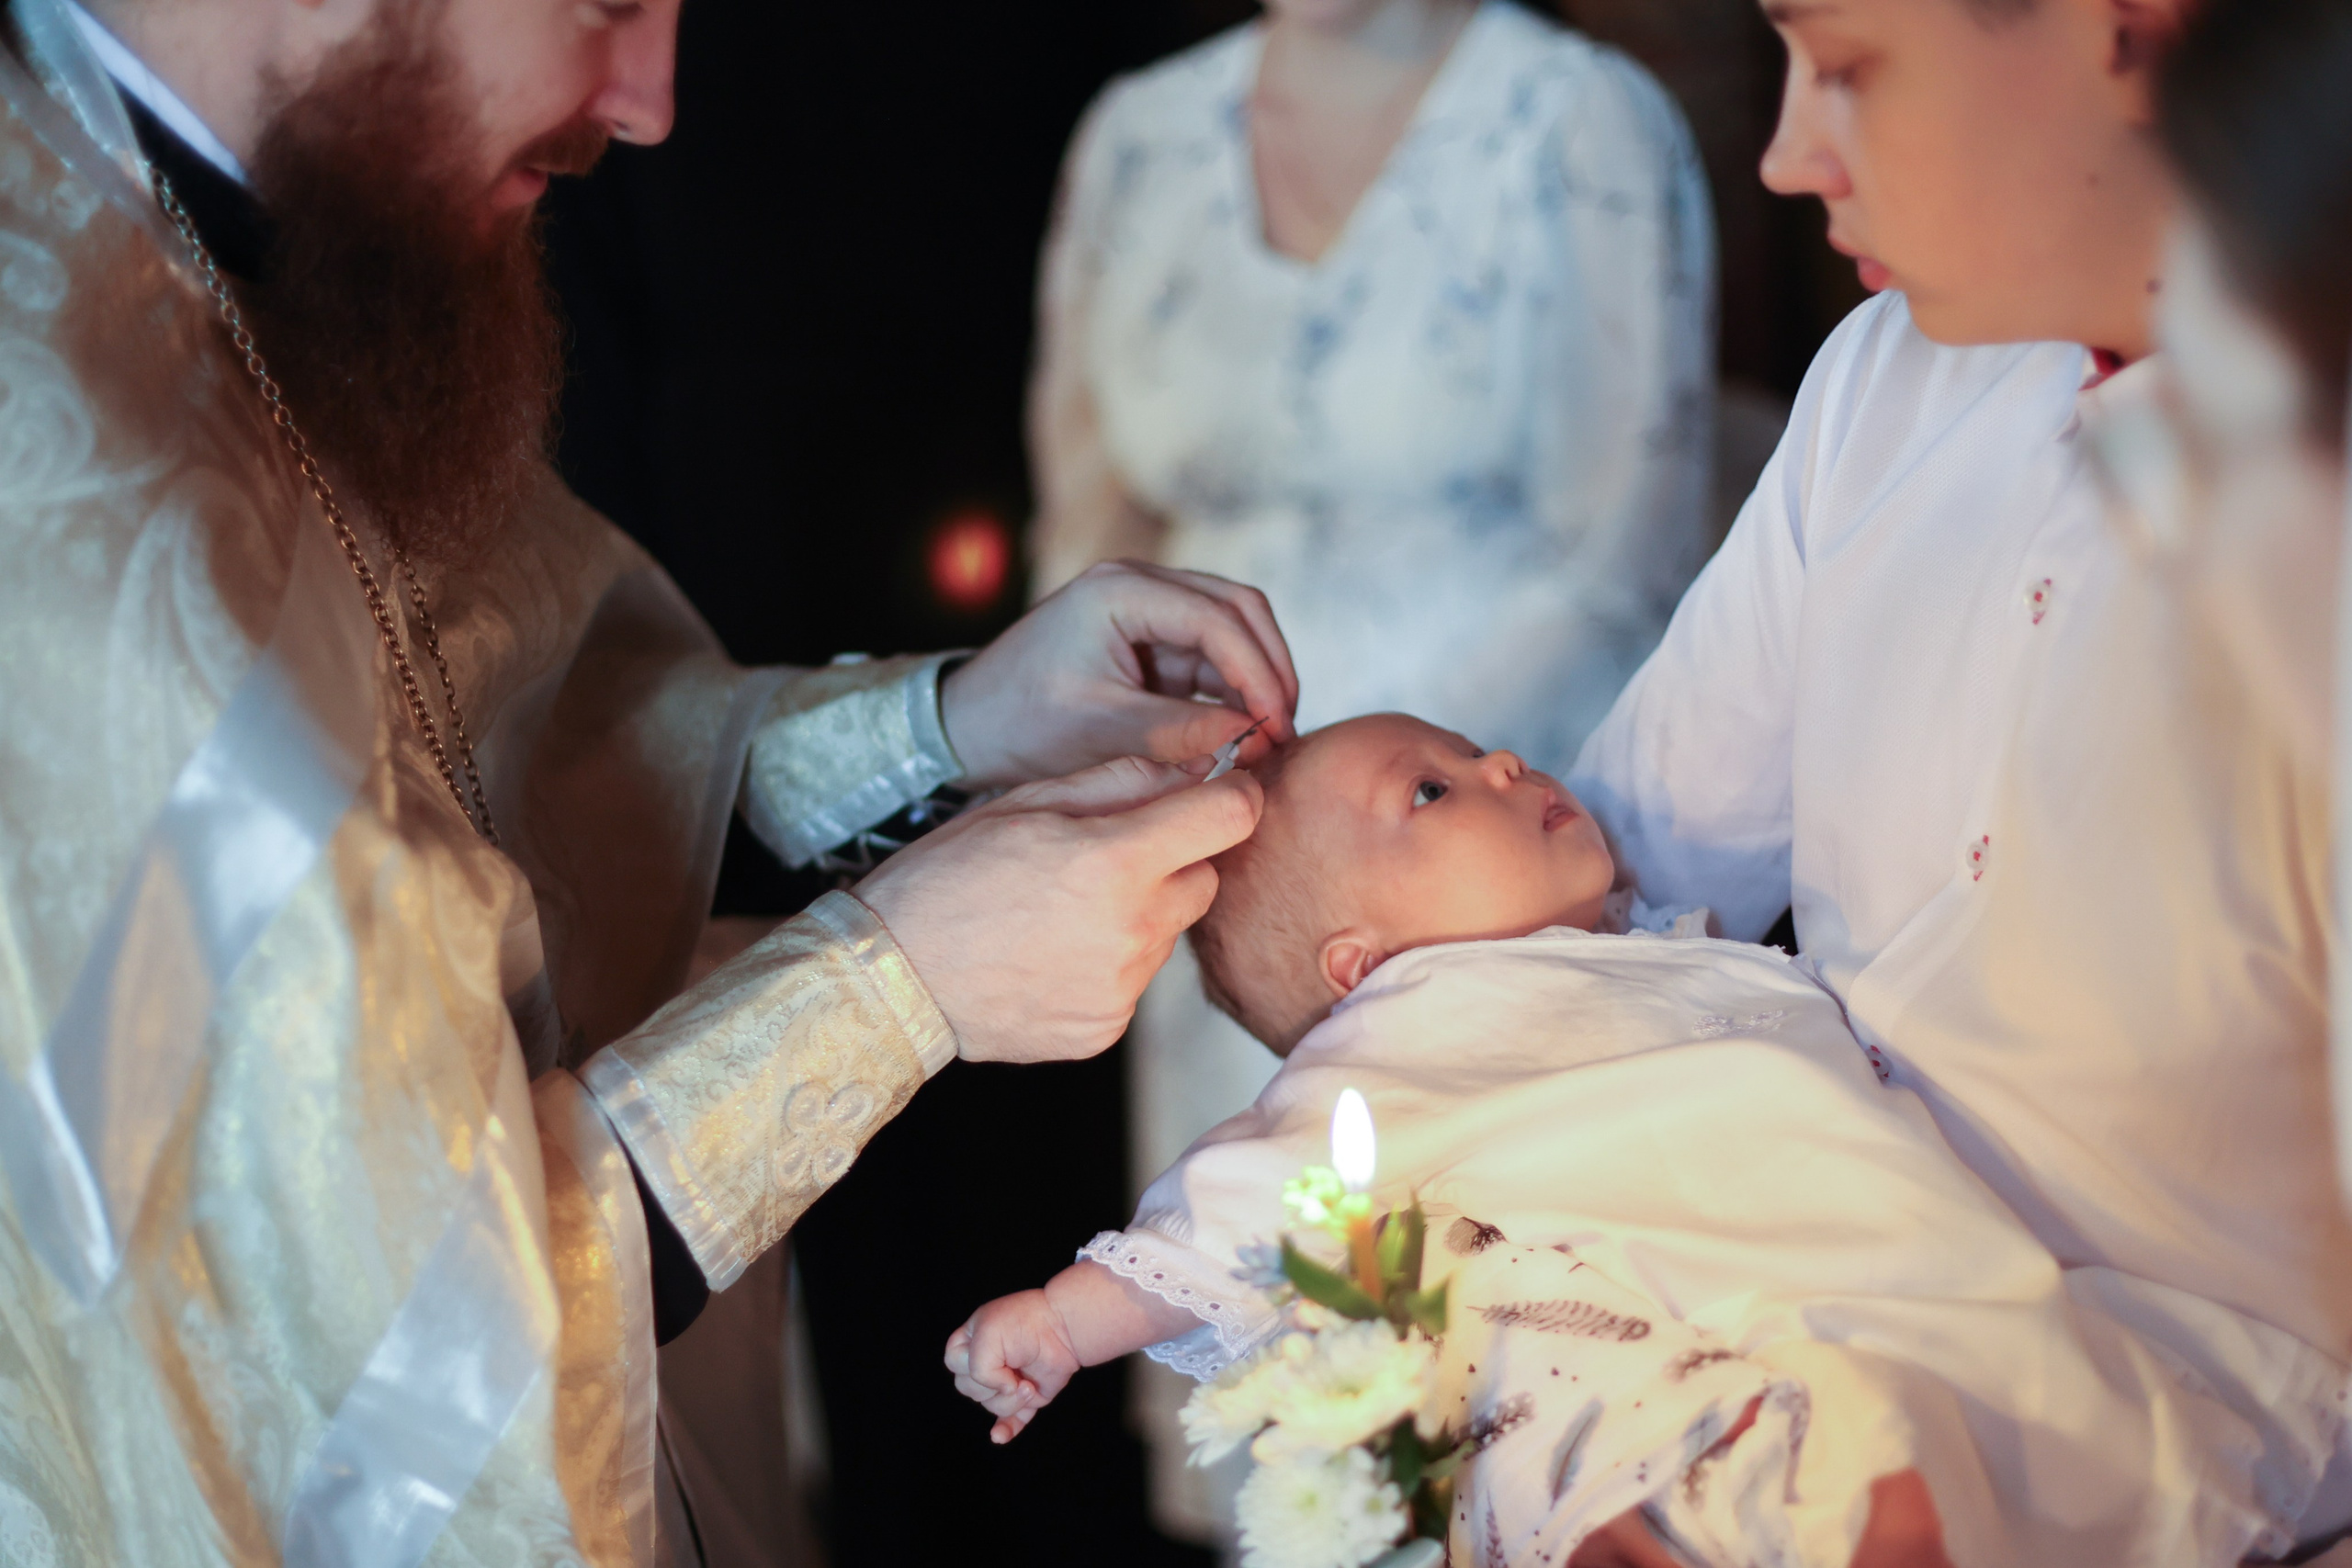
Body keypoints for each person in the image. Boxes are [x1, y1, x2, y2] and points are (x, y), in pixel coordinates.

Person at [0, 0, 1306, 1561]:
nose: (650, 102)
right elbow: (372, 1386)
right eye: (604, 2)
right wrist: (894, 990)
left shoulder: (265, 218)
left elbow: (526, 757)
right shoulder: (61, 508)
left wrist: (953, 728)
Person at [1565, 0, 2352, 1557]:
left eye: (1849, 66)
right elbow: (1594, 891)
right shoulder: (1886, 378)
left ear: (2133, 29)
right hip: (1789, 1404)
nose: (1788, 157)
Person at [945, 714, 2302, 1563]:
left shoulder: (1640, 955)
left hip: (1912, 1264)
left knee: (2070, 1411)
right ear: (1361, 966)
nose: (1500, 766)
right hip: (1748, 1322)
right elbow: (1260, 1192)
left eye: (1475, 751)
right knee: (1844, 1452)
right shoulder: (1415, 1028)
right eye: (1429, 794)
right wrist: (1072, 1317)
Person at [1024, 0, 1716, 1517]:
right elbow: (1087, 532)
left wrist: (1400, 807)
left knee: (1528, 1385)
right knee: (1289, 1385)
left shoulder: (1578, 116)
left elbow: (1627, 542)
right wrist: (1199, 812)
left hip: (1484, 866)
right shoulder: (1139, 133)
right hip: (1237, 874)